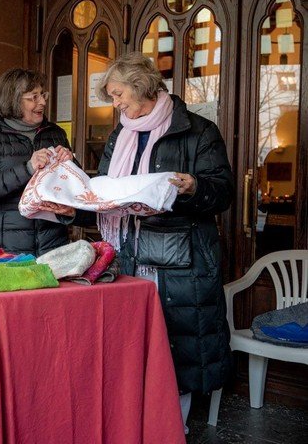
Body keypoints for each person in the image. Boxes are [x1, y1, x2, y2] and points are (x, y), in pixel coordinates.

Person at [95, 52, 233, 432]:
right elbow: (106, 189)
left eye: (118, 93)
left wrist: (194, 187)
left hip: (180, 261)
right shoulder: (120, 135)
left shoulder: (199, 131)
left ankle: (171, 427)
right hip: (129, 255)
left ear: (141, 87)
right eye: (111, 96)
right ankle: (137, 422)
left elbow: (223, 193)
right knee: (136, 344)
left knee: (176, 344)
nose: (115, 103)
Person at [0, 67, 83, 256]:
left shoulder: (56, 133)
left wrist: (71, 163)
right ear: (13, 100)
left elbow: (75, 187)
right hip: (6, 248)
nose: (43, 102)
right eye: (34, 97)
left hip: (52, 245)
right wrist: (28, 168)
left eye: (42, 95)